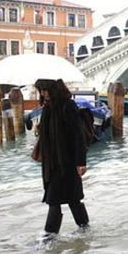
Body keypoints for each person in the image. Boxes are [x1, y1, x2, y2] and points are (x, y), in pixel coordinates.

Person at [33, 79, 89, 240]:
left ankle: (50, 234)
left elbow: (78, 135)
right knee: (69, 198)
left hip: (68, 161)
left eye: (45, 90)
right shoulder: (48, 107)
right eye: (41, 90)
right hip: (52, 162)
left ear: (54, 89)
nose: (43, 94)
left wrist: (81, 162)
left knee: (59, 198)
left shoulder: (68, 106)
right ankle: (84, 227)